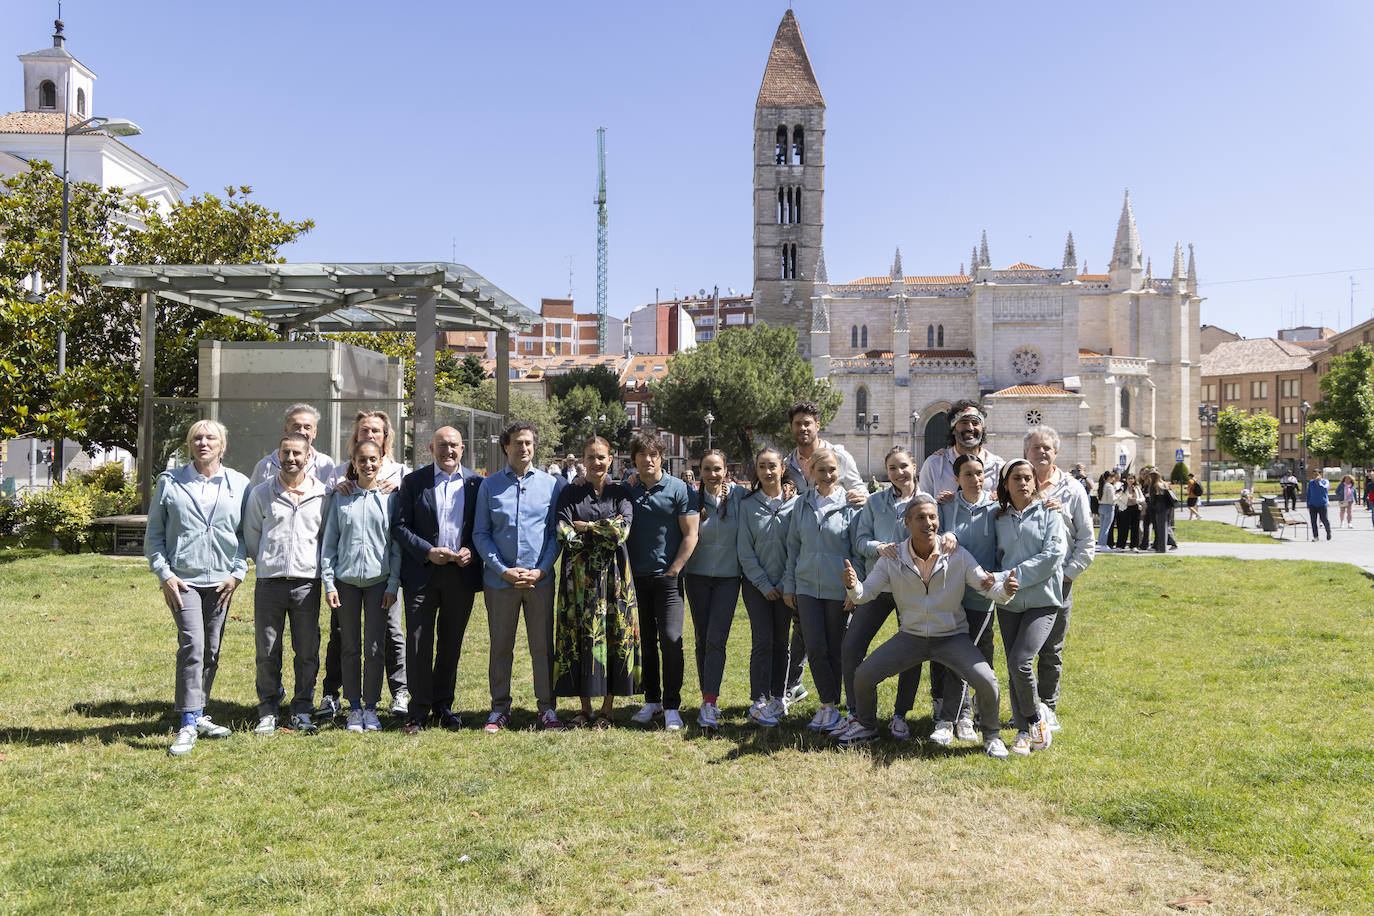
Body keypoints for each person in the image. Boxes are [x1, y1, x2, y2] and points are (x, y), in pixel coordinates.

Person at [839, 494, 1016, 756]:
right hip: (910, 637)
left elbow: (988, 588)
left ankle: (991, 736)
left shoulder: (956, 554)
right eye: (920, 517)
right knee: (863, 675)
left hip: (952, 637)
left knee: (987, 680)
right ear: (907, 523)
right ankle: (867, 727)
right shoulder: (892, 557)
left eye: (932, 517)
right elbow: (865, 595)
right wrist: (852, 585)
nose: (928, 523)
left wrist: (1006, 591)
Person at [144, 419, 249, 757]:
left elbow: (246, 534)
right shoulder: (170, 482)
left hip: (222, 581)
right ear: (190, 445)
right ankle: (188, 721)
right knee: (193, 644)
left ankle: (199, 712)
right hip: (183, 581)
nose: (204, 443)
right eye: (197, 438)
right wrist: (165, 574)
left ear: (223, 445)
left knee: (212, 650)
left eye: (211, 438)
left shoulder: (240, 484)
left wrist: (237, 574)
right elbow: (155, 536)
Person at [474, 421, 566, 732]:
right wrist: (503, 570)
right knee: (501, 646)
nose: (523, 448)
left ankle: (547, 708)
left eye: (528, 442)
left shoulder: (553, 485)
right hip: (501, 582)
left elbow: (556, 534)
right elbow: (481, 534)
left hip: (539, 580)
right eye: (517, 443)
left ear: (534, 446)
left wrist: (541, 569)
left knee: (542, 646)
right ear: (506, 447)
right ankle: (500, 708)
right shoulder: (489, 486)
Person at [391, 426, 484, 734]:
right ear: (430, 449)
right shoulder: (414, 482)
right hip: (422, 573)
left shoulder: (475, 484)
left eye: (454, 445)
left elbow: (482, 527)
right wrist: (427, 551)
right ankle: (417, 711)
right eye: (442, 446)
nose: (448, 451)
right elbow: (400, 526)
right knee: (418, 643)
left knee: (450, 643)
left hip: (460, 574)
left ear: (463, 448)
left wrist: (471, 549)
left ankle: (443, 705)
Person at [320, 410, 410, 721]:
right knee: (348, 645)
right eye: (362, 459)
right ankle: (352, 706)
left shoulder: (392, 495)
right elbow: (329, 544)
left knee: (376, 646)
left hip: (378, 582)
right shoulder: (340, 495)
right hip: (345, 582)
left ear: (383, 452)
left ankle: (372, 705)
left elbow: (395, 546)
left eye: (374, 458)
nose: (368, 464)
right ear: (354, 462)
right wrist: (329, 583)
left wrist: (393, 583)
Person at [243, 432, 329, 735]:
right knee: (267, 649)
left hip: (307, 583)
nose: (291, 458)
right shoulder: (261, 493)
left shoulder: (323, 494)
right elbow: (252, 536)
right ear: (278, 456)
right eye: (285, 453)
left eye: (297, 454)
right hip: (270, 582)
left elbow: (326, 538)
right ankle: (268, 707)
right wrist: (267, 561)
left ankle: (303, 706)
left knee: (306, 650)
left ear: (308, 457)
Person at [553, 436, 640, 728]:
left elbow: (621, 533)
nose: (596, 462)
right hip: (577, 581)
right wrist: (602, 529)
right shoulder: (570, 492)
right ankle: (584, 708)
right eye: (590, 457)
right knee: (579, 638)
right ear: (583, 460)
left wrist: (587, 527)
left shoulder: (621, 493)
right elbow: (565, 533)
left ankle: (607, 709)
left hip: (614, 579)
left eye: (601, 457)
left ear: (611, 459)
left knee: (613, 636)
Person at [844, 446, 922, 741]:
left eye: (903, 466)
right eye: (892, 468)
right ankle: (857, 712)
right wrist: (878, 548)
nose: (899, 473)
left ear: (914, 466)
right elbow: (860, 538)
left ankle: (901, 714)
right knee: (851, 646)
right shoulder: (875, 502)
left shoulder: (926, 502)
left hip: (913, 588)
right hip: (877, 585)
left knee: (912, 651)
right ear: (886, 472)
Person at [783, 447, 862, 733]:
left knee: (836, 650)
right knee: (814, 647)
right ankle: (827, 705)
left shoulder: (852, 505)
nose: (827, 475)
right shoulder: (801, 504)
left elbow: (858, 552)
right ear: (811, 473)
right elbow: (793, 547)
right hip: (806, 587)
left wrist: (853, 590)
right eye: (821, 470)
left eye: (832, 470)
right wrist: (789, 585)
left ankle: (844, 706)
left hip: (837, 589)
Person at [625, 432, 699, 731]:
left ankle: (672, 706)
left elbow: (691, 534)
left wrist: (674, 569)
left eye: (654, 454)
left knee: (671, 640)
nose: (648, 459)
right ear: (635, 460)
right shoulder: (626, 490)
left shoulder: (680, 489)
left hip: (668, 580)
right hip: (635, 580)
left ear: (662, 457)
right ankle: (652, 701)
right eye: (642, 455)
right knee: (644, 643)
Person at [1024, 426, 1094, 734]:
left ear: (1056, 453)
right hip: (1023, 583)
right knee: (1020, 652)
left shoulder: (1072, 489)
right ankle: (1023, 708)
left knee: (1051, 649)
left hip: (1058, 583)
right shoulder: (1015, 485)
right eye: (1036, 447)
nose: (1041, 452)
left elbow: (1087, 540)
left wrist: (1068, 574)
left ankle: (1047, 707)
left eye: (1047, 448)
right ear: (1026, 452)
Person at [994, 459, 1066, 755]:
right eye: (1016, 478)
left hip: (1042, 600)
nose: (1023, 483)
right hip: (1009, 602)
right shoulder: (997, 517)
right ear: (1005, 485)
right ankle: (1023, 731)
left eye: (1028, 478)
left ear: (1035, 483)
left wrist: (1011, 577)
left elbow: (1054, 555)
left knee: (1021, 661)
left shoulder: (1049, 512)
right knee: (1014, 667)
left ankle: (1036, 722)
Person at [934, 453, 1001, 745]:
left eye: (979, 473)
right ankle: (956, 717)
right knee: (956, 656)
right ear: (957, 479)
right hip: (951, 596)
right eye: (968, 474)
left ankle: (968, 714)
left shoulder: (997, 508)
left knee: (980, 656)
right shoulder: (946, 507)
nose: (975, 479)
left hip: (983, 596)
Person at [737, 446, 799, 727]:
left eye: (772, 466)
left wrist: (786, 584)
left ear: (782, 469)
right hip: (756, 586)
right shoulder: (748, 505)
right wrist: (763, 583)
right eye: (762, 466)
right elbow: (744, 551)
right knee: (762, 641)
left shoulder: (795, 504)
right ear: (757, 471)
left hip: (786, 586)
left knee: (781, 643)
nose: (767, 471)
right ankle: (759, 700)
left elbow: (797, 548)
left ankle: (778, 696)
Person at [682, 449, 744, 728]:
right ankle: (706, 697)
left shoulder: (740, 497)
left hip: (728, 579)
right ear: (700, 472)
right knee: (701, 638)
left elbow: (772, 490)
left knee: (716, 638)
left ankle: (710, 700)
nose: (712, 474)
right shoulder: (690, 497)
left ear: (725, 470)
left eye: (717, 469)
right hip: (696, 577)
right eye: (707, 469)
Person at [917, 400, 1002, 502]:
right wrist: (937, 503)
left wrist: (1002, 500)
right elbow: (922, 505)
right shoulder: (934, 465)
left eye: (975, 423)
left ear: (982, 429)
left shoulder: (998, 467)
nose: (970, 428)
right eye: (964, 422)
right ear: (953, 429)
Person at [248, 403, 337, 489]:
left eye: (307, 427)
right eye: (296, 426)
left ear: (314, 432)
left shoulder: (326, 464)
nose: (302, 432)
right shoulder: (265, 466)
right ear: (286, 430)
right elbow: (253, 500)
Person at [1143, 470, 1176, 552]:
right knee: (1165, 527)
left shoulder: (1154, 485)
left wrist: (1151, 504)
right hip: (1167, 508)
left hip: (1159, 509)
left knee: (1160, 529)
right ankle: (1164, 546)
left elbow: (1152, 500)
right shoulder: (1164, 484)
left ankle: (1161, 548)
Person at [1114, 472, 1144, 551]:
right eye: (1129, 478)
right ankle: (1120, 546)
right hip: (1125, 509)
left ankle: (1134, 546)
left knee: (1135, 528)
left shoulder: (1136, 488)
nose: (1131, 480)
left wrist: (1136, 500)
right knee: (1123, 528)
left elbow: (1142, 498)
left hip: (1135, 508)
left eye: (1132, 478)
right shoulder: (1122, 487)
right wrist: (1126, 501)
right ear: (1126, 479)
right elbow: (1116, 497)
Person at [1306, 467, 1331, 540]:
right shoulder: (1311, 482)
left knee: (1324, 519)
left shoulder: (1325, 482)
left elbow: (1325, 490)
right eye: (1314, 475)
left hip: (1322, 504)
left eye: (1317, 474)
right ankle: (1315, 536)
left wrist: (1319, 482)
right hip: (1313, 504)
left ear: (1321, 475)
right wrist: (1308, 504)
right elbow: (1309, 494)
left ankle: (1328, 532)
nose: (1315, 476)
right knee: (1313, 521)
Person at [1097, 470, 1119, 550]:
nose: (1114, 479)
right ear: (1109, 477)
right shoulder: (1109, 486)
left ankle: (1100, 544)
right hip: (1108, 507)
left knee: (1102, 527)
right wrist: (1118, 496)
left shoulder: (1102, 485)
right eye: (1113, 477)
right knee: (1106, 527)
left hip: (1101, 506)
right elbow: (1112, 499)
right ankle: (1103, 545)